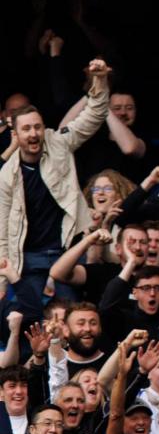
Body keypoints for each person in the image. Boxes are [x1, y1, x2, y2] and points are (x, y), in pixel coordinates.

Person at [0, 59, 111, 297]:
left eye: (37, 127)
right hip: (27, 258)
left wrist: (99, 80)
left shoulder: (58, 142)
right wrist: (2, 280)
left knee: (69, 319)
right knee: (31, 322)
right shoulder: (7, 174)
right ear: (16, 135)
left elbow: (94, 116)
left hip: (65, 252)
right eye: (27, 129)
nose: (33, 134)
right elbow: (2, 229)